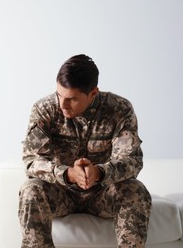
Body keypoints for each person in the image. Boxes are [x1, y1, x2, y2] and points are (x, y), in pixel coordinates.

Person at [18, 54, 152, 248]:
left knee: (136, 191)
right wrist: (68, 174)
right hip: (61, 191)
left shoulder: (119, 109)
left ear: (93, 92)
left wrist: (100, 172)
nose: (62, 105)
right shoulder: (44, 109)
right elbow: (32, 161)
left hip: (103, 192)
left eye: (72, 99)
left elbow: (132, 160)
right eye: (59, 95)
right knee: (30, 190)